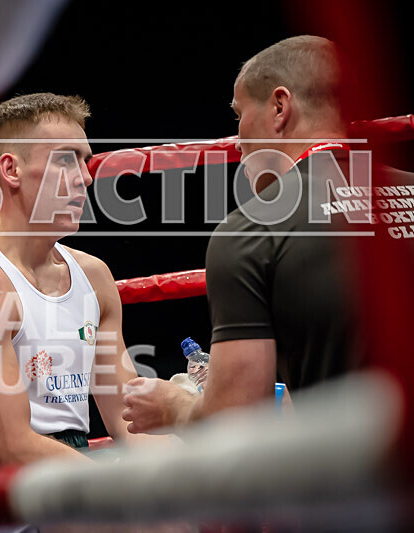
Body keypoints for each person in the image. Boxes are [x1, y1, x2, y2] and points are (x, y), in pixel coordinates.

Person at [122, 35, 414, 433]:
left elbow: (236, 418)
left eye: (239, 114)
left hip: (364, 478)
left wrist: (175, 406)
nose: (237, 141)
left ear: (280, 106)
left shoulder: (251, 230)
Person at [0, 92, 151, 465]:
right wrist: (119, 494)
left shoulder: (93, 276)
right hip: (1, 497)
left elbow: (130, 424)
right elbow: (11, 447)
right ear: (11, 170)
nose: (85, 177)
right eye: (66, 160)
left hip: (72, 476)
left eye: (85, 161)